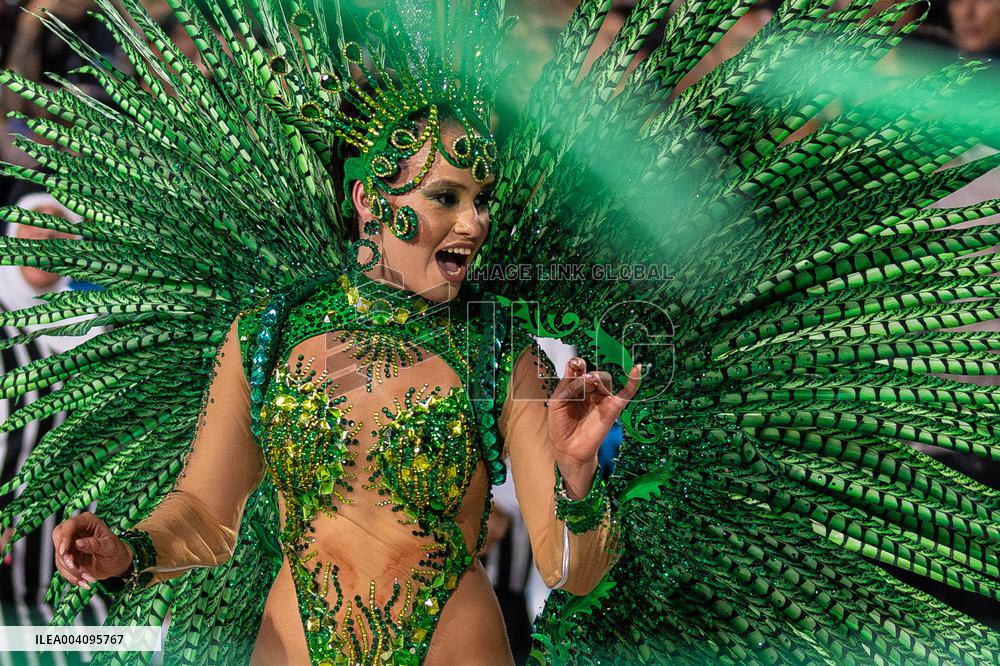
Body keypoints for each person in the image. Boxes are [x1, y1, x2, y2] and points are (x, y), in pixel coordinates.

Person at [1, 1, 999, 664]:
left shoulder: (499, 353)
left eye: (482, 199)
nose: (474, 223)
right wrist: (126, 549)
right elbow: (206, 517)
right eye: (445, 197)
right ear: (368, 201)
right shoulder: (265, 335)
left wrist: (576, 473)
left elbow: (568, 568)